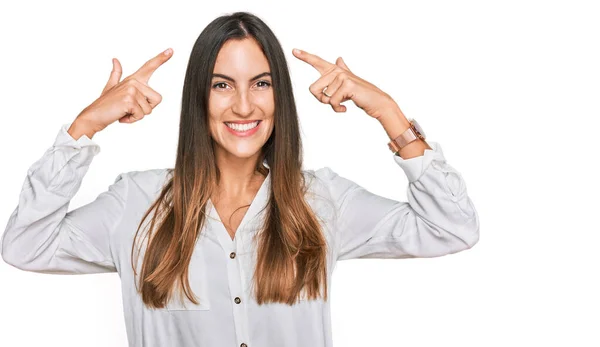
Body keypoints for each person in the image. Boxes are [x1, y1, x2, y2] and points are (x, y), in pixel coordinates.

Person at [1, 11, 480, 347]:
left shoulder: (323, 201)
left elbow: (452, 227)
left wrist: (388, 112)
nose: (245, 106)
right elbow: (25, 245)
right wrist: (85, 126)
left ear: (279, 96)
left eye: (262, 83)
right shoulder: (137, 202)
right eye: (222, 85)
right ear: (199, 97)